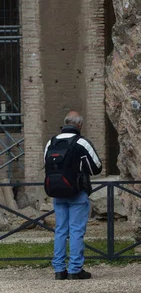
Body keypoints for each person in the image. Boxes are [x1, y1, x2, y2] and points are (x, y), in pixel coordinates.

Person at [44, 111, 102, 280]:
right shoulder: (81, 142)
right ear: (79, 125)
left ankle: (59, 270)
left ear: (65, 123)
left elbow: (46, 165)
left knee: (60, 230)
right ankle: (75, 269)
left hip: (57, 192)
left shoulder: (51, 142)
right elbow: (96, 167)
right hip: (77, 192)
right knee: (76, 231)